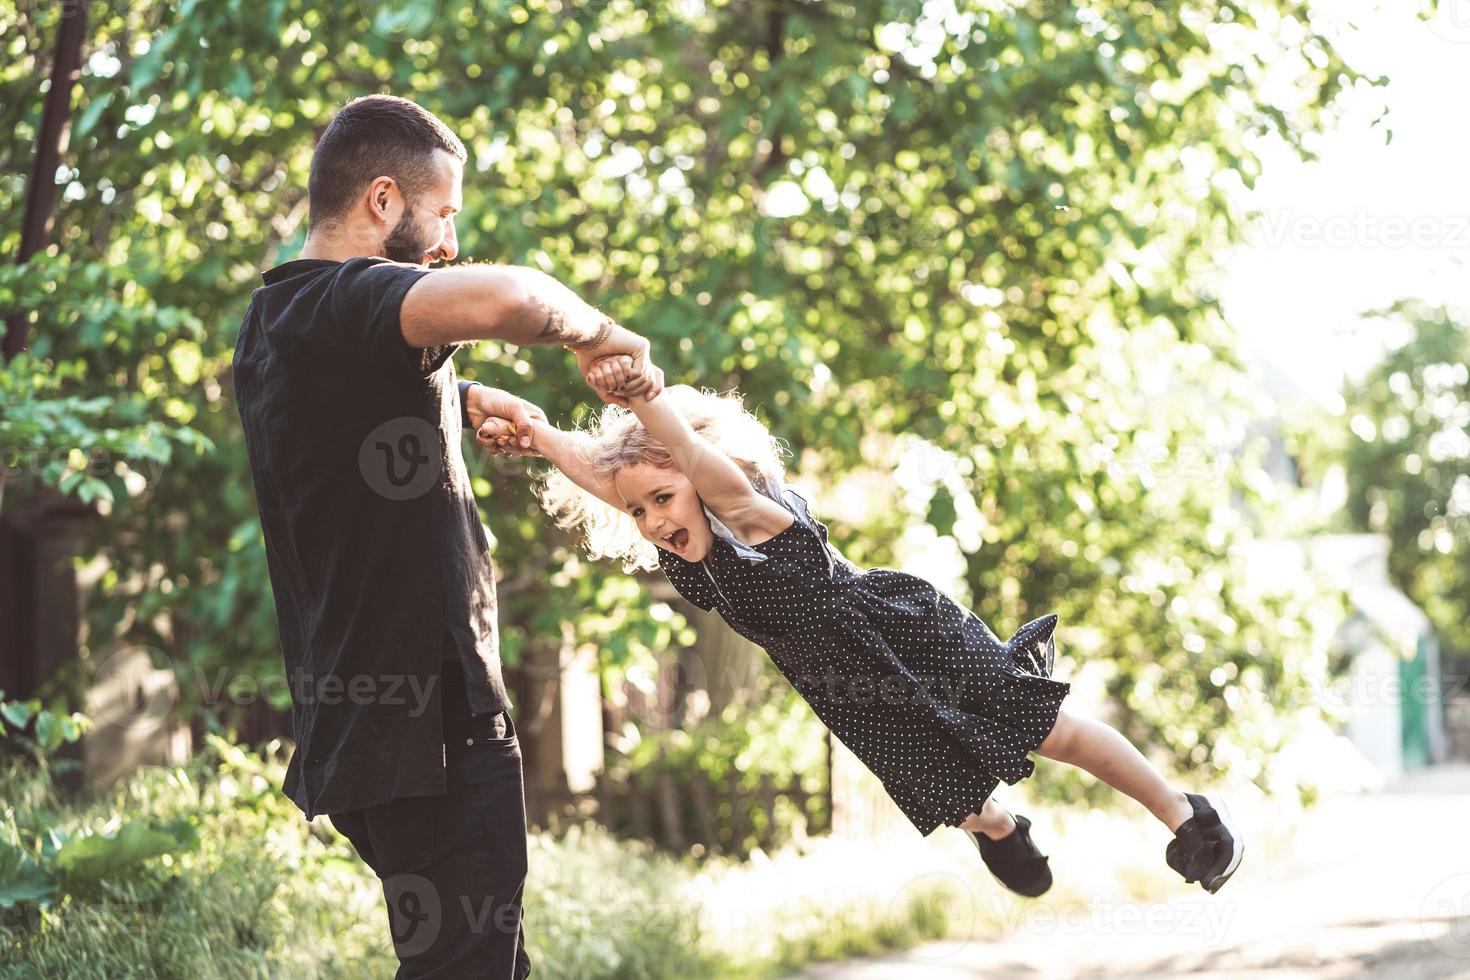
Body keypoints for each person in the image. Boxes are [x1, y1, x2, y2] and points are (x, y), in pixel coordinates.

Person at [475, 375, 1244, 898]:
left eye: (664, 499)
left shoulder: (751, 517)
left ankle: (1188, 816)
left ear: (704, 478)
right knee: (950, 793)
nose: (652, 523)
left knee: (1052, 733)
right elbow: (605, 475)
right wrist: (538, 434)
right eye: (638, 511)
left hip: (907, 635)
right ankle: (1001, 825)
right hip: (845, 687)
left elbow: (702, 465)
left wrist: (649, 400)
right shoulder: (680, 541)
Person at [232, 94, 664, 978]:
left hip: (380, 730)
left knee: (490, 964)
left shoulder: (278, 322)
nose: (449, 241)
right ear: (383, 202)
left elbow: (332, 436)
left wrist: (461, 405)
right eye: (445, 213)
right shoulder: (346, 297)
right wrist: (606, 335)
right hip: (428, 731)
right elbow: (510, 296)